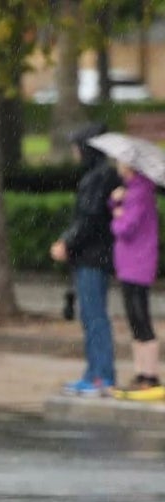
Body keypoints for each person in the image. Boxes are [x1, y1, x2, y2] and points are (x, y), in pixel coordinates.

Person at [51, 123, 122, 396]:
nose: (74, 151)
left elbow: (89, 219)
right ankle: (95, 373)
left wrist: (67, 243)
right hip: (94, 255)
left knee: (94, 317)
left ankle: (101, 375)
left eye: (77, 146)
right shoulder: (101, 175)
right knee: (91, 316)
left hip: (93, 257)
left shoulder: (98, 177)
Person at [108, 160, 162, 399]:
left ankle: (150, 375)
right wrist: (116, 201)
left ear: (130, 166)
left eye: (120, 163)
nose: (118, 167)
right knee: (133, 318)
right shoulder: (132, 190)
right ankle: (141, 373)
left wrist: (116, 214)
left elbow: (125, 228)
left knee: (140, 317)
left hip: (138, 263)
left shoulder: (140, 192)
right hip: (129, 263)